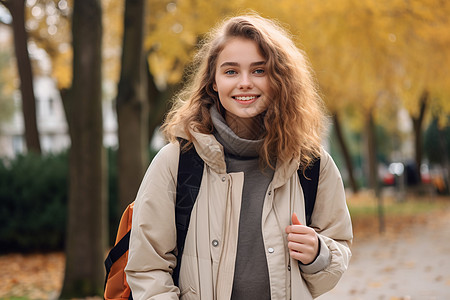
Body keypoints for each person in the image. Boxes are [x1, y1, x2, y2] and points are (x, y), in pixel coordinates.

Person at [125, 13, 352, 300]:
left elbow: (338, 250)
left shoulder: (311, 164)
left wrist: (318, 254)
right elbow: (147, 268)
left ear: (279, 79)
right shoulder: (176, 162)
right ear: (214, 82)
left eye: (259, 71)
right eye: (231, 71)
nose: (245, 82)